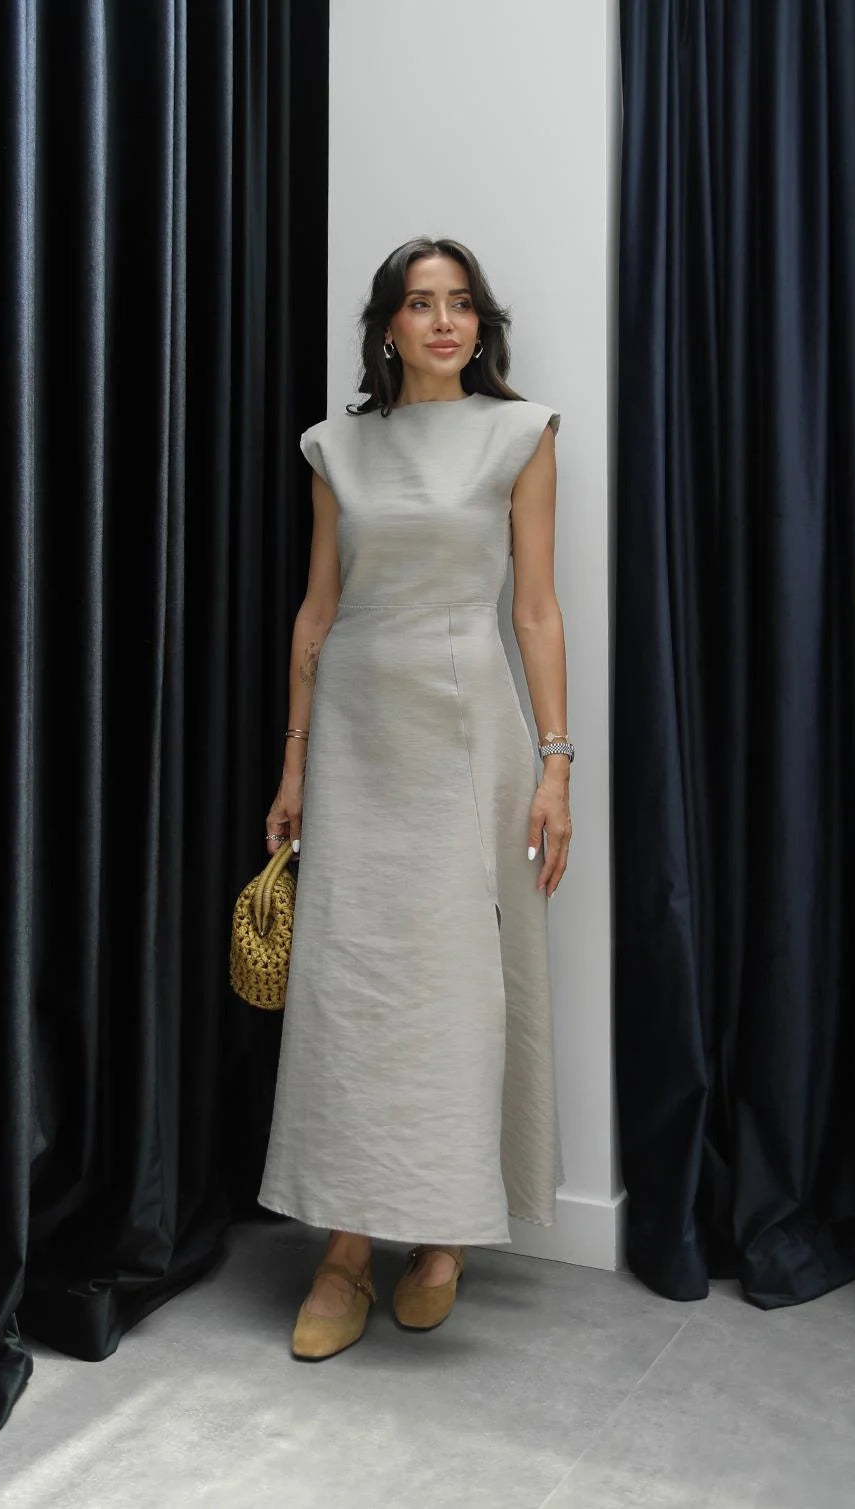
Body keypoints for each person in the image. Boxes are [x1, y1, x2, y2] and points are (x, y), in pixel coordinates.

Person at [258, 235, 573, 1361]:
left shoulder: (519, 434)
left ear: (481, 324)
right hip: (356, 730)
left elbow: (534, 610)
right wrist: (293, 764)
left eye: (461, 303)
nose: (443, 321)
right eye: (419, 303)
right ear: (386, 326)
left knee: (455, 986)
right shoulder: (334, 447)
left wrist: (556, 763)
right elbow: (317, 611)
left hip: (465, 729)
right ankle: (345, 1250)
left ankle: (442, 1234)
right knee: (350, 985)